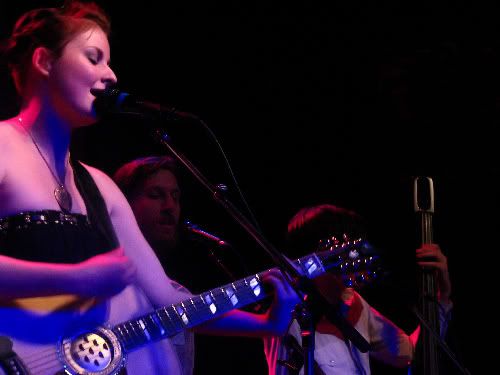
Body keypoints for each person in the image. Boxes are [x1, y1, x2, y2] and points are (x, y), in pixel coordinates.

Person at [0, 3, 299, 375]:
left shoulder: (101, 188)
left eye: (108, 61)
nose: (111, 75)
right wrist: (76, 279)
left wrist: (264, 324)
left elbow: (166, 300)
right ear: (44, 61)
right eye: (94, 58)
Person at [113, 155, 267, 374]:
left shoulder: (175, 288)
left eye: (175, 197)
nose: (170, 206)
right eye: (156, 195)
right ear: (123, 203)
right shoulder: (105, 275)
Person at [263, 204, 453, 375]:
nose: (357, 259)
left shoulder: (355, 304)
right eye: (349, 251)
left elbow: (410, 352)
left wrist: (441, 295)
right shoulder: (285, 311)